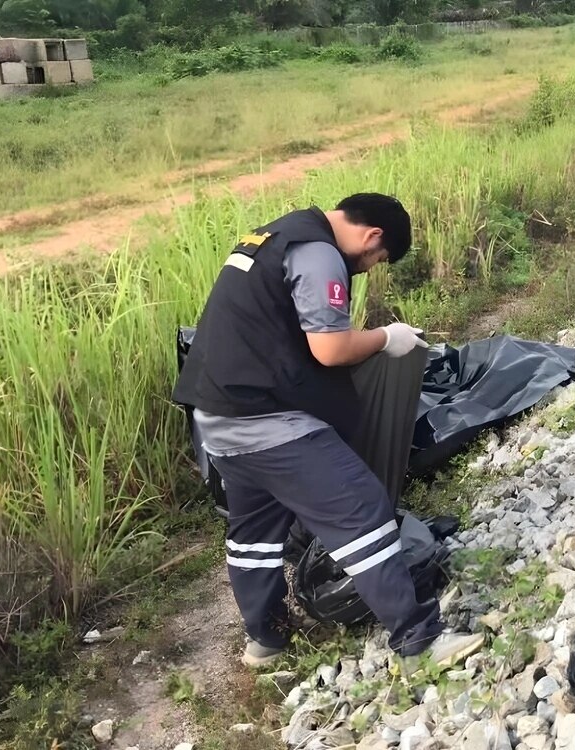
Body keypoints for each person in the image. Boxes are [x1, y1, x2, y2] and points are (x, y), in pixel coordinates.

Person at [173, 193, 483, 668]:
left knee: (254, 533)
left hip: (218, 418)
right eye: (377, 260)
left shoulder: (274, 234)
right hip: (266, 419)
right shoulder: (318, 253)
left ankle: (266, 641)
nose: (368, 267)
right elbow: (331, 350)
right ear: (372, 236)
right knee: (361, 509)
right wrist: (387, 337)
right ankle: (419, 641)